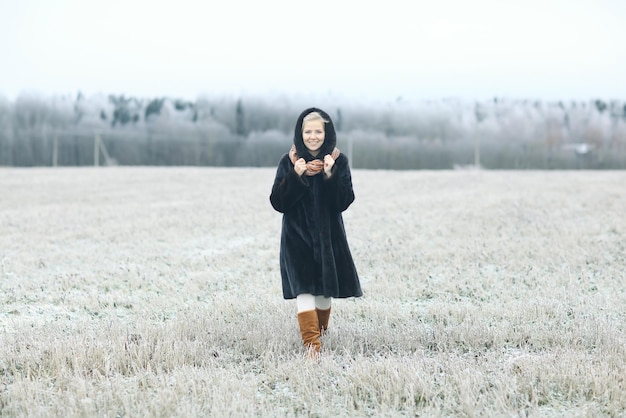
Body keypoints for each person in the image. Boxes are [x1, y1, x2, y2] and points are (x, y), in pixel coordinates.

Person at [270, 107, 362, 358]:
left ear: (326, 133)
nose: (313, 136)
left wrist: (330, 174)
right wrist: (295, 176)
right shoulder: (288, 162)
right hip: (296, 238)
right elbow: (278, 202)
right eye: (308, 131)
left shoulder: (338, 161)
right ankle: (312, 345)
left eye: (318, 131)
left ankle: (320, 331)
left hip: (328, 237)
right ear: (300, 133)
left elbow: (344, 201)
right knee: (304, 290)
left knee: (323, 294)